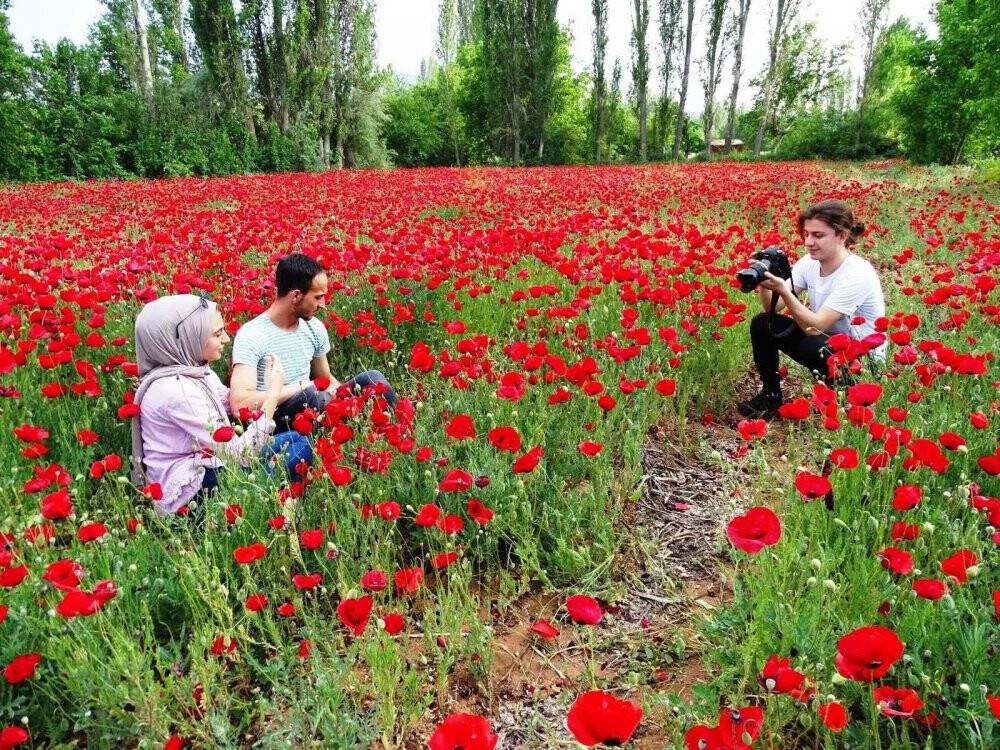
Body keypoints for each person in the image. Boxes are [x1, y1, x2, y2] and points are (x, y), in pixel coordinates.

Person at [130, 294, 312, 516]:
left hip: (213, 463)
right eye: (217, 334)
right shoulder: (174, 391)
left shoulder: (196, 373)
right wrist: (272, 395)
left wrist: (290, 386)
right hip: (194, 493)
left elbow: (233, 402)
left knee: (296, 440)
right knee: (301, 451)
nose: (226, 339)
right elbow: (239, 454)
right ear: (187, 338)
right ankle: (264, 502)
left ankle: (269, 494)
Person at [737, 199, 886, 419]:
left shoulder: (857, 274)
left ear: (842, 236)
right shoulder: (810, 263)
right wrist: (765, 282)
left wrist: (786, 292)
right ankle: (770, 395)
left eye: (818, 235)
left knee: (812, 344)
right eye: (806, 234)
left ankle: (843, 392)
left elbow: (816, 327)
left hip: (860, 360)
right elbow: (772, 307)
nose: (808, 242)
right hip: (825, 340)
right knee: (762, 323)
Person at [229, 253, 397, 431]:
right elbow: (240, 405)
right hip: (277, 417)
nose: (323, 304)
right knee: (315, 395)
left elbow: (324, 379)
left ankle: (389, 433)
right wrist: (302, 386)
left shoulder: (314, 328)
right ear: (295, 296)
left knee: (374, 379)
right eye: (318, 297)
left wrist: (349, 400)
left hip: (313, 401)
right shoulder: (252, 334)